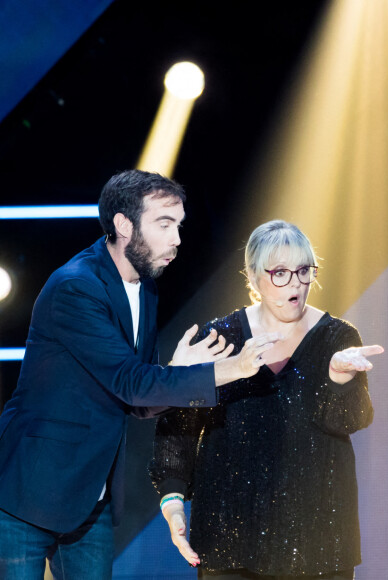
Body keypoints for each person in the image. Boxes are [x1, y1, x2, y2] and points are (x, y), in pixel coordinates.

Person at [0, 170, 279, 580]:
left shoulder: (145, 288)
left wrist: (174, 372)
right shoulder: (76, 287)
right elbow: (133, 381)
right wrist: (228, 369)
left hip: (90, 498)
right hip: (29, 492)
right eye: (164, 224)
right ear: (123, 225)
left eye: (179, 225)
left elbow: (137, 399)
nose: (177, 239)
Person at [149, 219, 384, 580]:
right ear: (254, 276)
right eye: (280, 273)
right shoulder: (221, 338)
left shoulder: (338, 337)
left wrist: (338, 379)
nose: (295, 284)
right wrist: (173, 501)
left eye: (304, 271)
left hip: (317, 542)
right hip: (230, 537)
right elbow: (178, 426)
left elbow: (352, 419)